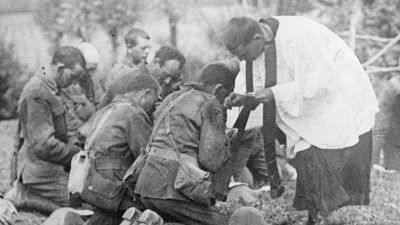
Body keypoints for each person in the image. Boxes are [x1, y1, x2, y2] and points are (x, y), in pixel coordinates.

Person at [223, 16, 378, 224]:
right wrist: (243, 98)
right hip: (309, 108)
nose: (242, 61)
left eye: (242, 55)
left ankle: (329, 216)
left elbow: (319, 84)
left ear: (257, 38)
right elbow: (253, 81)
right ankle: (316, 216)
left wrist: (272, 93)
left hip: (341, 98)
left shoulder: (299, 39)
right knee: (307, 157)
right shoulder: (256, 46)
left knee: (326, 163)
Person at [134, 63, 233, 225]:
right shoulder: (211, 102)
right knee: (222, 222)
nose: (224, 102)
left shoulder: (171, 98)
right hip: (174, 191)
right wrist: (225, 142)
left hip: (146, 186)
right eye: (225, 96)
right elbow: (210, 160)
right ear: (219, 89)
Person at [5, 46, 86, 211]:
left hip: (52, 164)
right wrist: (76, 154)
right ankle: (25, 196)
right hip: (39, 169)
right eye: (73, 76)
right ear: (61, 68)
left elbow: (71, 127)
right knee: (82, 204)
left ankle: (29, 196)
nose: (75, 82)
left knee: (91, 195)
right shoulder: (37, 92)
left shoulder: (53, 89)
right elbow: (43, 145)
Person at [84, 74, 161, 225]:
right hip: (115, 190)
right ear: (146, 94)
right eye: (156, 99)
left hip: (93, 185)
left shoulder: (105, 111)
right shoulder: (133, 113)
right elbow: (148, 159)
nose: (154, 105)